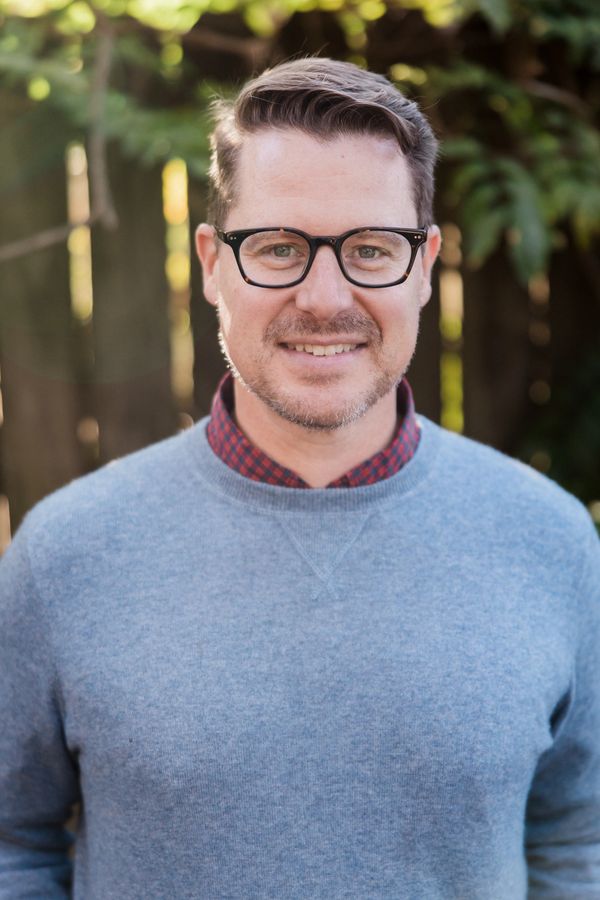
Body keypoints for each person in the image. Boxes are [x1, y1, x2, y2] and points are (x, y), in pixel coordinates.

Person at [0, 57, 598, 900]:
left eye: (370, 248)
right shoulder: (64, 554)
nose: (324, 297)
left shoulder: (553, 540)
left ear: (424, 265)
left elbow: (578, 838)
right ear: (212, 263)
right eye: (278, 247)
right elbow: (11, 846)